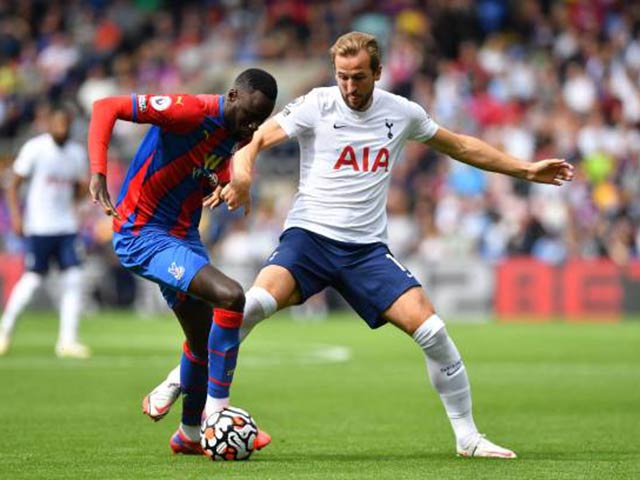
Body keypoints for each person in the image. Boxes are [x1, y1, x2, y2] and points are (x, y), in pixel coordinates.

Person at [147, 32, 574, 458]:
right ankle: (179, 377)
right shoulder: (318, 103)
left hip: (366, 251)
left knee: (433, 331)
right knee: (250, 305)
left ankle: (468, 438)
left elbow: (460, 145)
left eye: (358, 78)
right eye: (342, 77)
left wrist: (525, 170)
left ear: (378, 73)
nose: (349, 87)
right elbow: (254, 141)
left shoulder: (401, 112)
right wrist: (242, 175)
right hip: (308, 239)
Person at [87, 68, 278, 455]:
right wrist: (98, 172)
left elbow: (207, 165)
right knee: (231, 296)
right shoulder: (187, 111)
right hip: (143, 232)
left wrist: (227, 182)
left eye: (261, 119)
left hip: (182, 236)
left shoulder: (236, 135)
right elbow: (106, 106)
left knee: (202, 338)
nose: (253, 126)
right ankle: (216, 415)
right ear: (232, 96)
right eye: (249, 116)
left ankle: (189, 435)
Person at [0, 106, 90, 359]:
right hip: (39, 226)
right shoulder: (35, 149)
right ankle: (5, 331)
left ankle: (68, 340)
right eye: (57, 123)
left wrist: (83, 189)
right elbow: (12, 184)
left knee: (73, 279)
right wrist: (17, 217)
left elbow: (78, 191)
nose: (62, 127)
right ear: (49, 124)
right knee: (33, 281)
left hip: (66, 226)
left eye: (66, 123)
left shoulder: (76, 153)